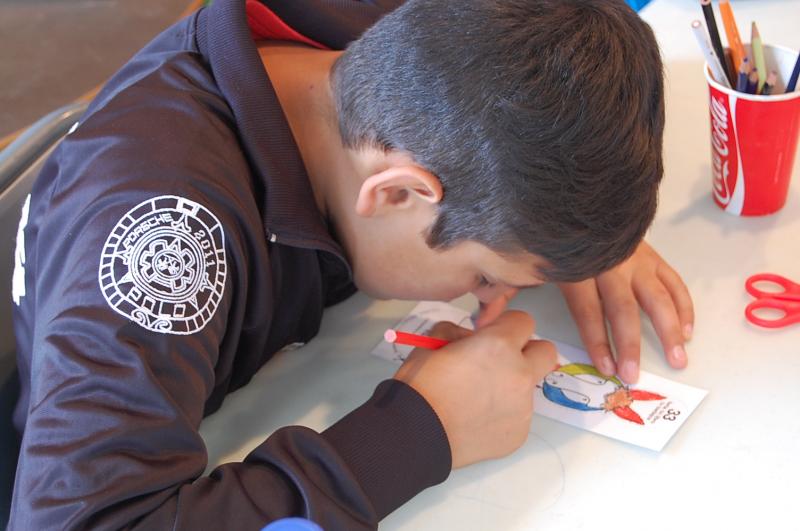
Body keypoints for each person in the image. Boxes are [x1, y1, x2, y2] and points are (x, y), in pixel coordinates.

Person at [7, 0, 693, 529]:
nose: (496, 300)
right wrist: (416, 433)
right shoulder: (163, 239)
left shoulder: (408, 39)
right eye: (487, 276)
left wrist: (570, 210)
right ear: (396, 192)